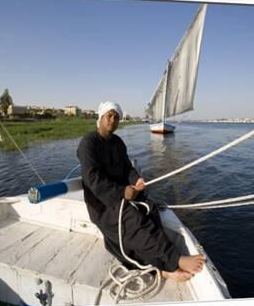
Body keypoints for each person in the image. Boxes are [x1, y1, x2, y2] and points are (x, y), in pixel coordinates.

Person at [76, 101, 206, 282]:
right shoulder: (88, 143)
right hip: (102, 205)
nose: (112, 120)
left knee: (150, 208)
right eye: (109, 115)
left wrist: (136, 180)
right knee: (133, 219)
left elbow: (127, 168)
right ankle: (175, 259)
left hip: (122, 196)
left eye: (116, 117)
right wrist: (123, 192)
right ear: (101, 118)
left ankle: (162, 268)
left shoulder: (118, 143)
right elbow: (93, 180)